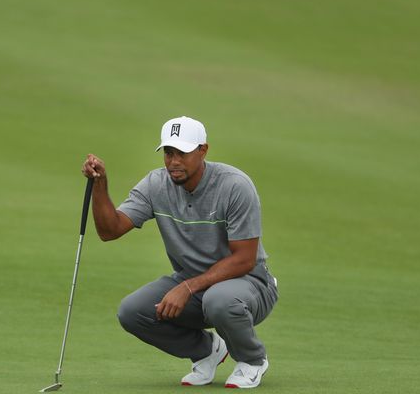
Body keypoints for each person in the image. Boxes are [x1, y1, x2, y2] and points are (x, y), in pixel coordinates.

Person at [81, 116, 279, 389]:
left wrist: (187, 287)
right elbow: (110, 230)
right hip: (195, 287)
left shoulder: (234, 186)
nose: (173, 162)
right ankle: (207, 351)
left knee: (219, 300)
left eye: (182, 153)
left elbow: (244, 259)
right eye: (168, 153)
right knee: (132, 312)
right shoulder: (156, 185)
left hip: (251, 284)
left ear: (203, 150)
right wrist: (100, 185)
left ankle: (252, 360)